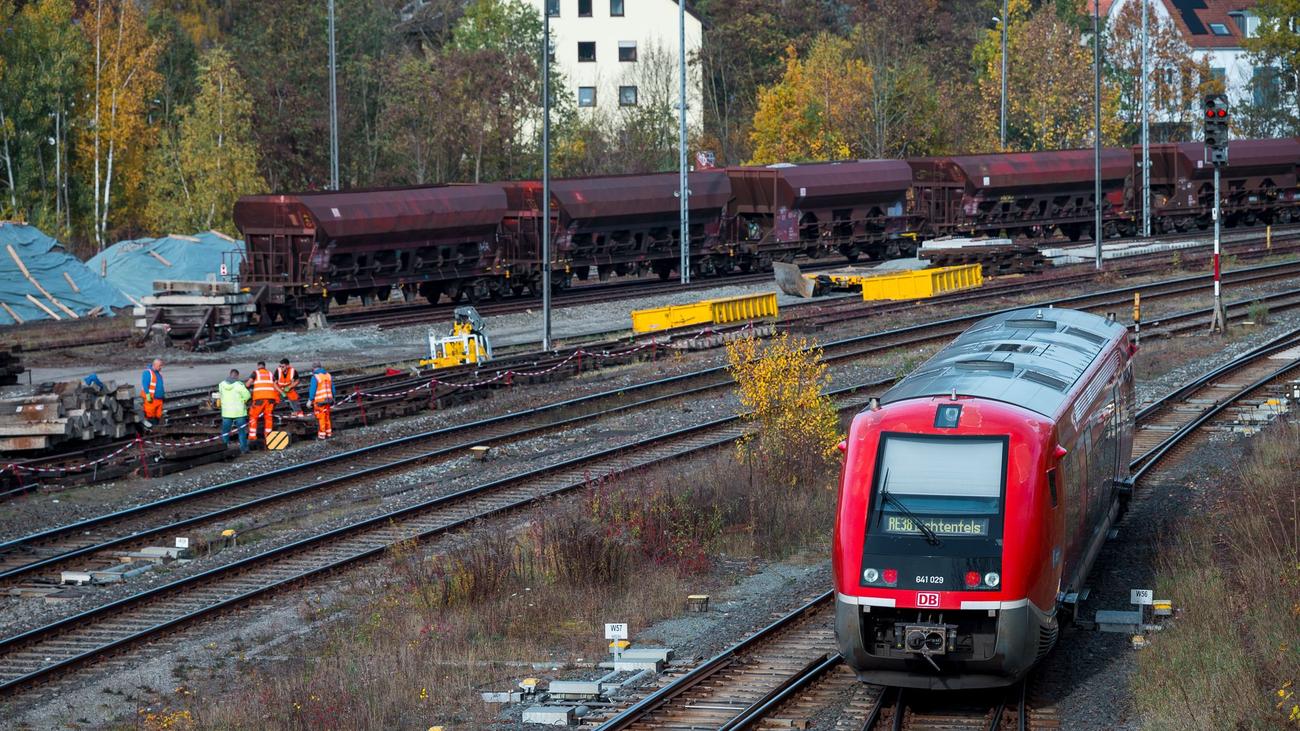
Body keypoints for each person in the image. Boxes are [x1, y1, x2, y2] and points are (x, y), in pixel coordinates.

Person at [245, 360, 280, 443]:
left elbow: (248, 384)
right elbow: (275, 385)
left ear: (258, 366)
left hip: (259, 399)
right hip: (270, 399)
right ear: (265, 366)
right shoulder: (270, 374)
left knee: (253, 416)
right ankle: (268, 436)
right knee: (268, 417)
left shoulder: (255, 373)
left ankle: (252, 436)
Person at [217, 369, 251, 453]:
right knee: (241, 431)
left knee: (225, 432)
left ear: (230, 374)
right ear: (237, 376)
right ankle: (243, 449)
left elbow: (220, 396)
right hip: (239, 412)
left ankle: (224, 449)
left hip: (226, 412)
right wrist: (242, 400)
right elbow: (247, 395)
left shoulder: (221, 385)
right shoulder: (239, 385)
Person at [307, 361, 334, 440]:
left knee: (321, 417)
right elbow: (333, 389)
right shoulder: (328, 375)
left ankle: (322, 436)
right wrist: (333, 398)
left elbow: (313, 390)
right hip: (328, 400)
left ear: (313, 368)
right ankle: (329, 434)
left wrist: (310, 400)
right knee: (327, 416)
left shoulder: (315, 377)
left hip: (320, 401)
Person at [140, 358, 165, 429]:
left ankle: (156, 428)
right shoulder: (148, 372)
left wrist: (163, 395)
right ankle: (152, 429)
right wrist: (148, 395)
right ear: (154, 365)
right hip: (151, 399)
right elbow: (145, 385)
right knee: (150, 415)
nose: (161, 367)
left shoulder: (158, 373)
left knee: (158, 415)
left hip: (159, 399)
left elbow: (160, 385)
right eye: (160, 365)